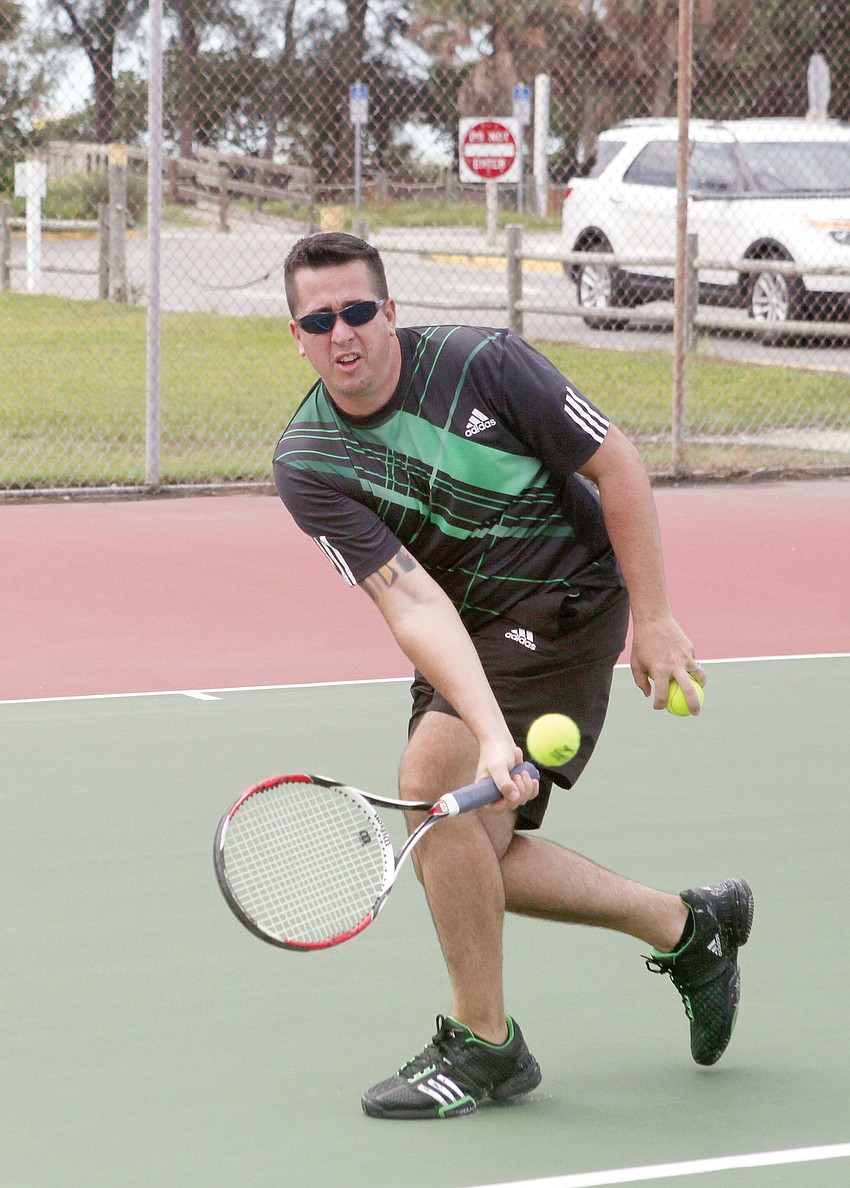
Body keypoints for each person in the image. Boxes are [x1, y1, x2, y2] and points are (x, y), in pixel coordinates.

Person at [273, 231, 753, 1121]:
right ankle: (690, 930)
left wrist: (653, 617)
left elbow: (615, 464)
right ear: (295, 334)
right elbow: (412, 604)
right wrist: (490, 731)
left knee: (431, 789)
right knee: (467, 842)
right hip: (466, 619)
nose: (343, 334)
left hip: (569, 593)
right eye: (318, 319)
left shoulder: (480, 363)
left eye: (358, 311)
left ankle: (486, 1046)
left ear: (391, 311)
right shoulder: (309, 463)